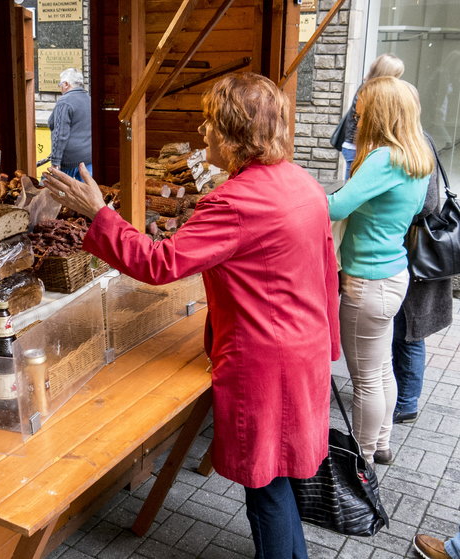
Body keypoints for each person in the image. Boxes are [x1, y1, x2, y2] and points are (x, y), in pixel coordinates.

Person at [44, 72, 340, 558]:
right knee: (278, 476)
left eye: (208, 123)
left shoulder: (235, 201)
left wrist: (99, 214)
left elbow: (160, 263)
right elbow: (327, 273)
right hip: (303, 351)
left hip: (264, 362)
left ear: (230, 133)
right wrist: (328, 347)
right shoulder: (302, 182)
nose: (203, 133)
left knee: (264, 488)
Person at [327, 76, 433, 465]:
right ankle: (382, 443)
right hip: (392, 275)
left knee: (365, 379)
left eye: (363, 106)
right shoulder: (417, 155)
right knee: (382, 367)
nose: (358, 112)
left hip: (366, 282)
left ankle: (363, 458)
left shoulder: (384, 158)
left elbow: (335, 208)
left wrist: (294, 199)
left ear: (380, 112)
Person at [392, 131, 453, 425]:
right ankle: (398, 396)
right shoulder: (416, 139)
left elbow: (428, 204)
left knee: (409, 333)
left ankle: (406, 402)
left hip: (418, 252)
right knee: (402, 332)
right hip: (411, 253)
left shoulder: (417, 140)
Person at [338, 54, 405, 179]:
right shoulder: (368, 92)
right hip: (358, 149)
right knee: (353, 189)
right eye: (395, 76)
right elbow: (359, 127)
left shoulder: (371, 90)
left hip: (360, 148)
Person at [48, 68, 92, 179]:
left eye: (60, 85)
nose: (60, 89)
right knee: (84, 193)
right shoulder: (89, 99)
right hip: (88, 160)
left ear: (66, 84)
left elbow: (60, 135)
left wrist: (55, 162)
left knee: (61, 193)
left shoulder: (64, 102)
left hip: (70, 162)